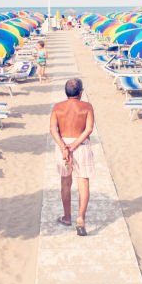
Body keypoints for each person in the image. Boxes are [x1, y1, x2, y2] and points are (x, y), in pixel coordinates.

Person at [49, 78, 95, 236]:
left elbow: (53, 129)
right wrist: (74, 145)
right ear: (80, 92)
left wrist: (64, 147)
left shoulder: (57, 107)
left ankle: (67, 217)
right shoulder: (87, 107)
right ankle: (80, 218)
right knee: (83, 182)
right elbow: (88, 129)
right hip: (80, 145)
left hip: (63, 147)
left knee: (65, 182)